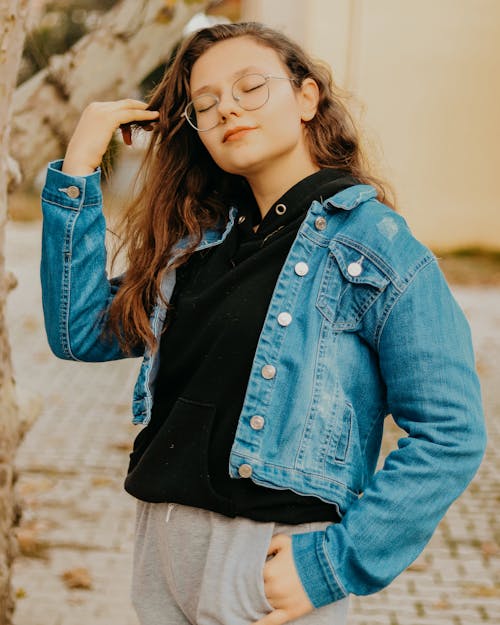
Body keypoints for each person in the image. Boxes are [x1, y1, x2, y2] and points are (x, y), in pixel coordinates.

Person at [40, 21, 486, 625]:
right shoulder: (195, 248)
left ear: (307, 99)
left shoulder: (376, 248)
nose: (228, 109)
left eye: (250, 87)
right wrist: (80, 165)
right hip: (162, 549)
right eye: (206, 103)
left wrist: (333, 564)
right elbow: (82, 331)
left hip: (266, 561)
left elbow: (451, 431)